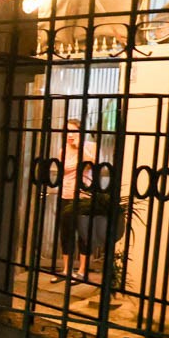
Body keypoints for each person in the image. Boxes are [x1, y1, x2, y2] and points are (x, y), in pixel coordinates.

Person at [57, 119, 101, 281]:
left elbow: (91, 165)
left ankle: (82, 270)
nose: (70, 135)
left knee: (83, 232)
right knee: (66, 232)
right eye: (67, 131)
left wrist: (79, 147)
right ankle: (66, 270)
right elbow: (63, 171)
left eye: (73, 131)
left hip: (83, 196)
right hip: (66, 193)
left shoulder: (90, 147)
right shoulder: (63, 150)